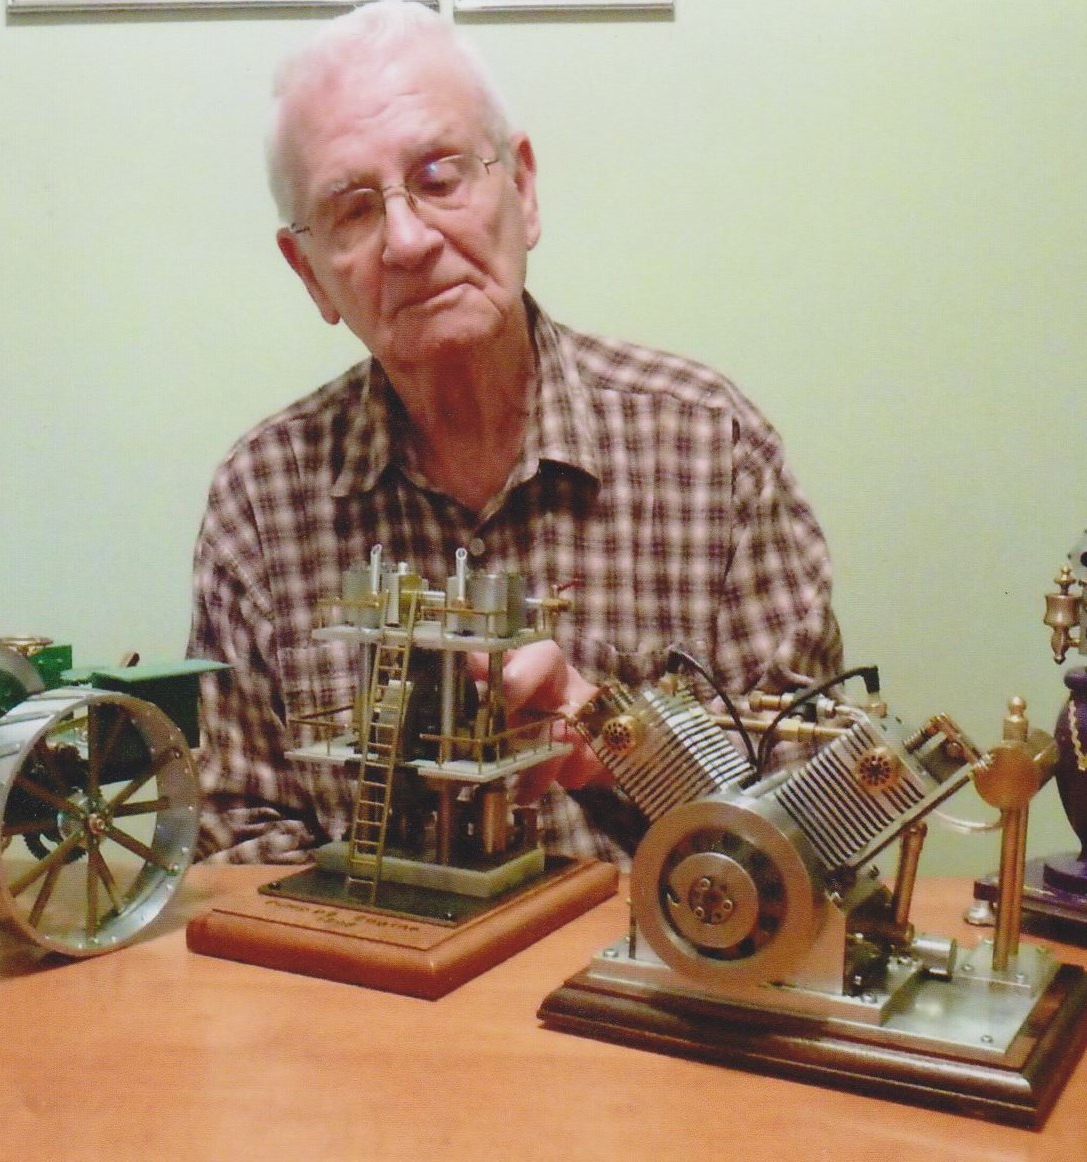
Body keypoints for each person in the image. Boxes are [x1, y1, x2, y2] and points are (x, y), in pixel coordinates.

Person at [188, 0, 842, 867]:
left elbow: (819, 829)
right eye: (352, 210)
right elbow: (238, 844)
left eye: (439, 177)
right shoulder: (263, 501)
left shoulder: (710, 452)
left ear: (523, 189)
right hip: (373, 959)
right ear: (309, 271)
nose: (408, 241)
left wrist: (612, 739)